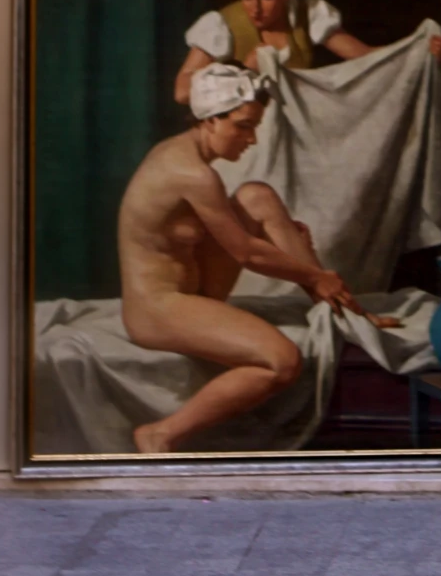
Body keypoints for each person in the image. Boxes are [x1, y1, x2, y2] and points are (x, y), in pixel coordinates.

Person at [118, 64, 370, 455]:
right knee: (282, 362)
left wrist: (307, 267)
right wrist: (307, 269)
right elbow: (246, 252)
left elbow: (233, 236)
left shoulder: (185, 154)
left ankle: (337, 303)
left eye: (253, 127)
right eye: (243, 126)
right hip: (156, 309)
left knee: (257, 196)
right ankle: (160, 434)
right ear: (210, 119)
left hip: (193, 290)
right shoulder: (190, 173)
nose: (251, 140)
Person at [174, 0, 379, 104]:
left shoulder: (308, 15)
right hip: (249, 136)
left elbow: (367, 58)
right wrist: (243, 73)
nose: (255, 8)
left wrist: (410, 52)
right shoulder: (223, 24)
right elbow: (182, 92)